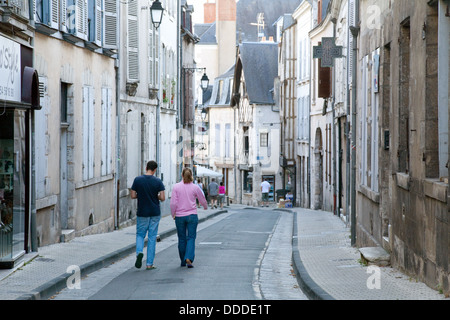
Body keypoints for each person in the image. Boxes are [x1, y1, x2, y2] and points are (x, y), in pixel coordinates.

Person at [130, 160, 165, 270]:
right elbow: (163, 198)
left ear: (146, 168)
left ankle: (139, 253)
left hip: (142, 212)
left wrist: (141, 195)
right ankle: (149, 264)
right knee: (152, 237)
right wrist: (156, 196)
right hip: (154, 212)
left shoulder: (138, 180)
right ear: (155, 170)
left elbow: (132, 195)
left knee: (140, 235)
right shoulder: (158, 181)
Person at [170, 168, 208, 268]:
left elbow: (173, 203)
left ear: (182, 175)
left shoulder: (176, 187)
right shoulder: (195, 187)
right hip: (192, 215)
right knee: (191, 237)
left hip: (179, 216)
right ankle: (189, 258)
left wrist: (173, 213)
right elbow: (202, 198)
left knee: (181, 238)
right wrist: (205, 206)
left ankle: (183, 260)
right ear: (191, 175)